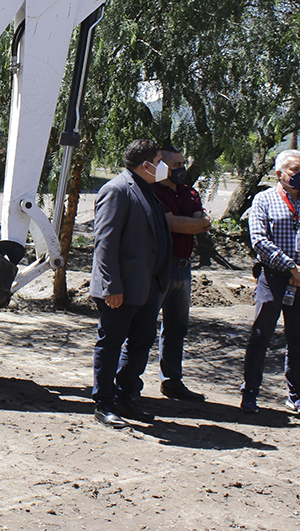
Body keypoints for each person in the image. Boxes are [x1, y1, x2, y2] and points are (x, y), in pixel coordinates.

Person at [240, 149, 300, 415]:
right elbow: (259, 240)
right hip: (273, 277)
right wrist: (291, 267)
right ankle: (250, 393)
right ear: (279, 173)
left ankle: (297, 396)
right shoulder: (263, 200)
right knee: (260, 335)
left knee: (298, 340)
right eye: (294, 170)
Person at [90, 139, 172, 428]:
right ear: (146, 164)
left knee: (140, 343)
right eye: (160, 160)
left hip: (148, 286)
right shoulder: (117, 190)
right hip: (121, 289)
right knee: (111, 343)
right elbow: (105, 243)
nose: (164, 166)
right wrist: (112, 286)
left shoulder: (148, 190)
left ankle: (127, 395)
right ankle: (104, 402)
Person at [147, 145, 210, 402]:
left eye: (183, 164)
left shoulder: (190, 192)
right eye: (176, 166)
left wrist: (193, 224)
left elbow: (200, 222)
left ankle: (171, 381)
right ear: (163, 167)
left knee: (176, 328)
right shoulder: (154, 192)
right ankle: (127, 381)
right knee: (144, 327)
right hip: (160, 267)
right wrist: (195, 224)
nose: (181, 169)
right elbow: (172, 223)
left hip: (184, 269)